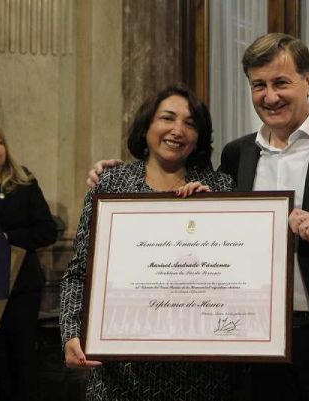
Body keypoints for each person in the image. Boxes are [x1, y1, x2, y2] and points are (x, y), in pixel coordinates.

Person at [86, 34, 309, 400]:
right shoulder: (237, 155)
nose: (270, 96)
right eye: (258, 85)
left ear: (307, 81)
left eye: (281, 82)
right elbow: (181, 190)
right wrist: (113, 174)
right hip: (258, 350)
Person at [59, 84, 236, 400]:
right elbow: (78, 273)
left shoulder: (220, 186)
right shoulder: (111, 185)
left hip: (201, 376)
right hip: (120, 375)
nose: (177, 130)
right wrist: (71, 333)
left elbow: (236, 274)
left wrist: (215, 215)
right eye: (167, 118)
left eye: (190, 123)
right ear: (147, 126)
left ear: (199, 137)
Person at [0, 125, 58, 401]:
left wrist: (7, 237)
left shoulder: (23, 183)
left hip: (19, 287)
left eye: (1, 142)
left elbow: (48, 230)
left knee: (18, 361)